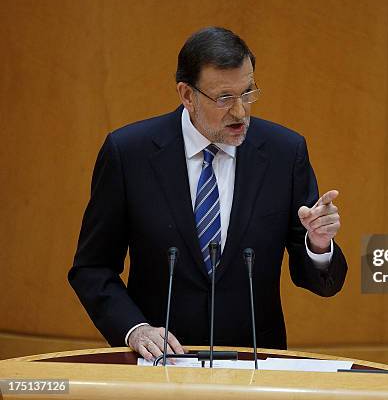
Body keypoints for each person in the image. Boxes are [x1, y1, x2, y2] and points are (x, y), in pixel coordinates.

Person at [68, 27, 347, 361]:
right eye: (225, 98)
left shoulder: (284, 153)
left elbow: (321, 283)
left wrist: (317, 244)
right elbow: (92, 268)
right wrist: (135, 328)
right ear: (187, 95)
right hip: (160, 365)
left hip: (254, 364)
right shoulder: (129, 153)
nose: (241, 112)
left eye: (247, 93)